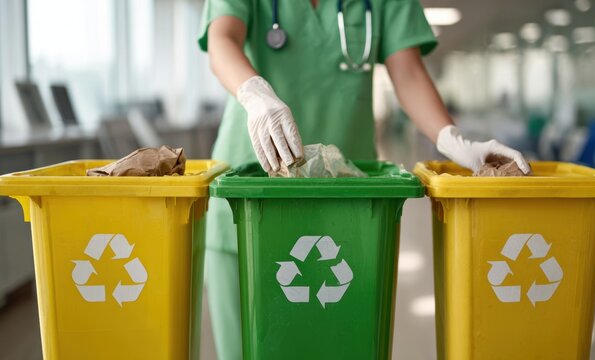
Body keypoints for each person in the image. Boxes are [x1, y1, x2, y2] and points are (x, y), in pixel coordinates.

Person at [198, 0, 530, 358]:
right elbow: (222, 39)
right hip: (248, 197)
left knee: (340, 346)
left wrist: (453, 139)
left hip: (348, 201)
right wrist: (255, 94)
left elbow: (408, 72)